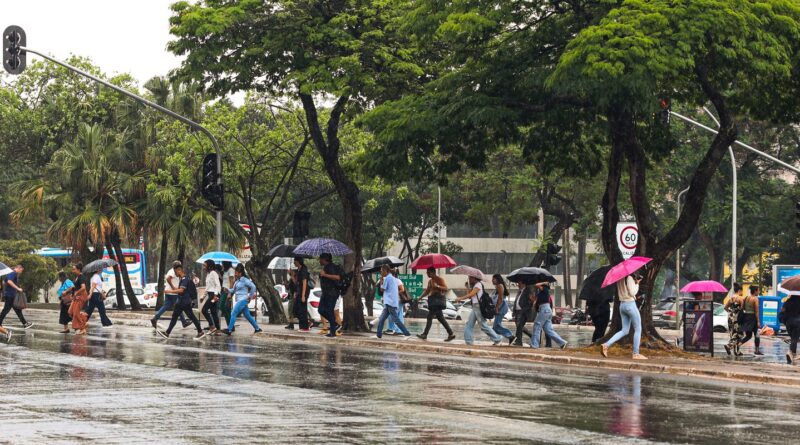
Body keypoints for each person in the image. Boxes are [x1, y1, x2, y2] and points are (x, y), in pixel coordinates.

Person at [602, 273, 646, 360]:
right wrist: (637, 284)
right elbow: (632, 292)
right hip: (630, 305)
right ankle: (636, 353)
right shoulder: (629, 278)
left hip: (622, 305)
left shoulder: (620, 278)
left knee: (624, 330)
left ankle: (606, 345)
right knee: (638, 329)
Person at [156, 265, 206, 340]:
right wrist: (174, 289)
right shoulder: (183, 279)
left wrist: (169, 291)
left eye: (175, 271)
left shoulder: (184, 279)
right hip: (183, 301)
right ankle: (167, 333)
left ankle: (200, 332)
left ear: (179, 270)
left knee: (186, 316)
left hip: (184, 302)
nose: (175, 274)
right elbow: (180, 289)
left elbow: (181, 290)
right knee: (177, 316)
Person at [457, 275, 502, 346]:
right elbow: (470, 295)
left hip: (478, 307)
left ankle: (497, 338)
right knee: (469, 324)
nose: (469, 279)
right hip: (475, 307)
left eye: (470, 278)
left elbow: (471, 294)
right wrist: (467, 287)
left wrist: (460, 298)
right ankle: (469, 341)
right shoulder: (475, 285)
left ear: (474, 278)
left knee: (483, 326)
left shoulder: (478, 285)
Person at [417, 267, 455, 341]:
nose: (427, 274)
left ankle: (425, 334)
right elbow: (427, 291)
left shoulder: (439, 279)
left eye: (428, 272)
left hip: (437, 301)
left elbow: (446, 288)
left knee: (429, 317)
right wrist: (421, 297)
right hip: (433, 301)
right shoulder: (430, 281)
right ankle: (451, 334)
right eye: (427, 272)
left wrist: (437, 286)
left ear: (433, 272)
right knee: (440, 318)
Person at [223, 264, 262, 335]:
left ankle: (229, 330)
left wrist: (250, 296)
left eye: (236, 273)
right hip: (240, 300)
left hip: (243, 300)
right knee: (247, 315)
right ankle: (257, 329)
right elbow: (234, 290)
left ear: (240, 273)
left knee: (233, 313)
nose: (235, 274)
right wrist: (228, 290)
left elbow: (253, 287)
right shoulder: (237, 281)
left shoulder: (245, 280)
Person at [375, 265, 411, 339]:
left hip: (390, 302)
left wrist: (381, 280)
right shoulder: (394, 279)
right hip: (391, 301)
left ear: (385, 270)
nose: (381, 272)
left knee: (396, 319)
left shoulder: (388, 278)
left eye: (381, 271)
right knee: (382, 318)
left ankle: (406, 333)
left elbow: (382, 289)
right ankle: (378, 334)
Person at [150, 260, 189, 329]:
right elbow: (168, 279)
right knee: (179, 306)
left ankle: (155, 318)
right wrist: (173, 288)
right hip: (172, 293)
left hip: (170, 292)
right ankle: (184, 322)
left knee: (166, 306)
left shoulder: (173, 271)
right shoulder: (172, 271)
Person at [530, 283, 568, 349]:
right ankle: (562, 342)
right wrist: (533, 299)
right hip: (545, 309)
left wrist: (543, 282)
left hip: (544, 309)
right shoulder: (541, 293)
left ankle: (534, 345)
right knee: (548, 329)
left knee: (537, 325)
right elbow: (536, 303)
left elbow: (536, 284)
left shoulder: (545, 289)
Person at [0, 264, 33, 329]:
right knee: (6, 310)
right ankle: (25, 323)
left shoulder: (12, 273)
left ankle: (25, 323)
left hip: (11, 295)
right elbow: (9, 281)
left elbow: (6, 281)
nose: (21, 272)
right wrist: (17, 288)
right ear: (19, 268)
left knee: (17, 309)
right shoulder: (13, 273)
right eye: (21, 270)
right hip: (10, 295)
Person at [318, 253, 342, 338]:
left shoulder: (331, 267)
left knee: (329, 310)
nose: (319, 260)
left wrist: (325, 275)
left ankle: (332, 331)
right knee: (321, 310)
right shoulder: (325, 267)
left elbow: (338, 277)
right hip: (325, 293)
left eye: (320, 259)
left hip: (332, 293)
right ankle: (334, 324)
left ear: (324, 259)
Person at [737, 286, 763, 356]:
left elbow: (742, 308)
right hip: (753, 318)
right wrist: (758, 321)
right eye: (758, 291)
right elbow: (756, 311)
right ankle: (757, 350)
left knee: (748, 335)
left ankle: (739, 344)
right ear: (755, 291)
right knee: (757, 334)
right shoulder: (755, 299)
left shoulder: (746, 298)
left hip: (746, 317)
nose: (759, 292)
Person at [491, 274, 515, 344]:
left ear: (497, 279)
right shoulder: (497, 287)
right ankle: (500, 339)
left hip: (501, 307)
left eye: (493, 279)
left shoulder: (500, 286)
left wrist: (497, 308)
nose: (492, 280)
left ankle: (510, 336)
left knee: (496, 326)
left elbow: (500, 298)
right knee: (496, 325)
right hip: (500, 307)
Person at [66, 263, 90, 334]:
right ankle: (84, 320)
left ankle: (82, 328)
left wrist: (76, 293)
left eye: (74, 269)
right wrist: (71, 293)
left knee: (76, 313)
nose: (72, 271)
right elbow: (75, 287)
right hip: (76, 297)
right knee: (70, 312)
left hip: (81, 296)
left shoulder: (81, 277)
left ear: (79, 270)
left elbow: (83, 288)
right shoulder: (76, 277)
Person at [723, 282, 745, 356]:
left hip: (730, 317)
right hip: (737, 318)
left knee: (733, 333)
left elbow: (725, 307)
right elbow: (743, 309)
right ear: (739, 290)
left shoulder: (731, 298)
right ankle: (729, 346)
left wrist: (731, 312)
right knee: (739, 334)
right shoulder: (740, 298)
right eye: (742, 290)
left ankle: (736, 351)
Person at [201, 259, 222, 334]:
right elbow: (208, 287)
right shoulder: (208, 274)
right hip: (210, 294)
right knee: (213, 313)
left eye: (204, 265)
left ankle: (212, 327)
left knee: (204, 310)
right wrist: (203, 296)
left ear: (209, 266)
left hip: (214, 295)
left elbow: (218, 285)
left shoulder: (213, 273)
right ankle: (218, 330)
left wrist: (215, 295)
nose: (203, 266)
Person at [386, 269, 409, 335]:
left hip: (398, 300)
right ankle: (393, 329)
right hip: (393, 300)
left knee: (395, 315)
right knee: (397, 315)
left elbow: (402, 289)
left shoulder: (397, 281)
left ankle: (398, 330)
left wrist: (395, 293)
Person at [780, 294, 800, 364]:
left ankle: (793, 355)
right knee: (794, 339)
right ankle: (790, 352)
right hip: (797, 323)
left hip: (788, 323)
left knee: (793, 339)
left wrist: (784, 321)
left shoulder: (787, 302)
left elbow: (782, 312)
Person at [293, 257, 311, 332]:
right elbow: (296, 283)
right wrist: (292, 275)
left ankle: (304, 327)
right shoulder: (298, 270)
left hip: (303, 292)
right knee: (296, 309)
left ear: (298, 261)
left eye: (295, 261)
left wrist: (303, 295)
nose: (294, 263)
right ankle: (305, 325)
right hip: (299, 291)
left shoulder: (304, 269)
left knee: (302, 310)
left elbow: (304, 283)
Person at [219, 261, 235, 326]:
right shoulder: (226, 271)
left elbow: (232, 282)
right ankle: (230, 326)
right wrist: (220, 275)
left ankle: (230, 325)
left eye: (222, 264)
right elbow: (225, 280)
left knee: (222, 307)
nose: (221, 265)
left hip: (227, 291)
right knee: (227, 309)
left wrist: (229, 293)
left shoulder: (231, 270)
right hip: (223, 290)